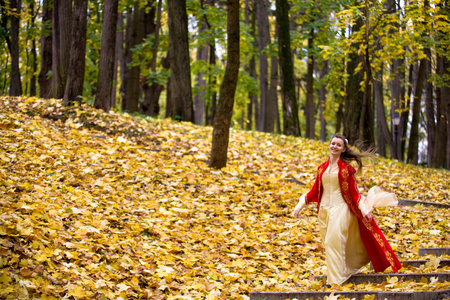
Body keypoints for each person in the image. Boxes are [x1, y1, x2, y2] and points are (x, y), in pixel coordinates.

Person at [293, 133, 402, 286]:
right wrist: (300, 205)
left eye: (338, 145)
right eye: (333, 143)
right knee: (329, 244)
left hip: (340, 208)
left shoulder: (346, 169)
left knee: (333, 242)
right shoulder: (322, 168)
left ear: (343, 149)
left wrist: (365, 210)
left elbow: (354, 194)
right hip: (324, 210)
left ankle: (334, 282)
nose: (334, 146)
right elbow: (314, 191)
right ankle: (342, 273)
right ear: (329, 145)